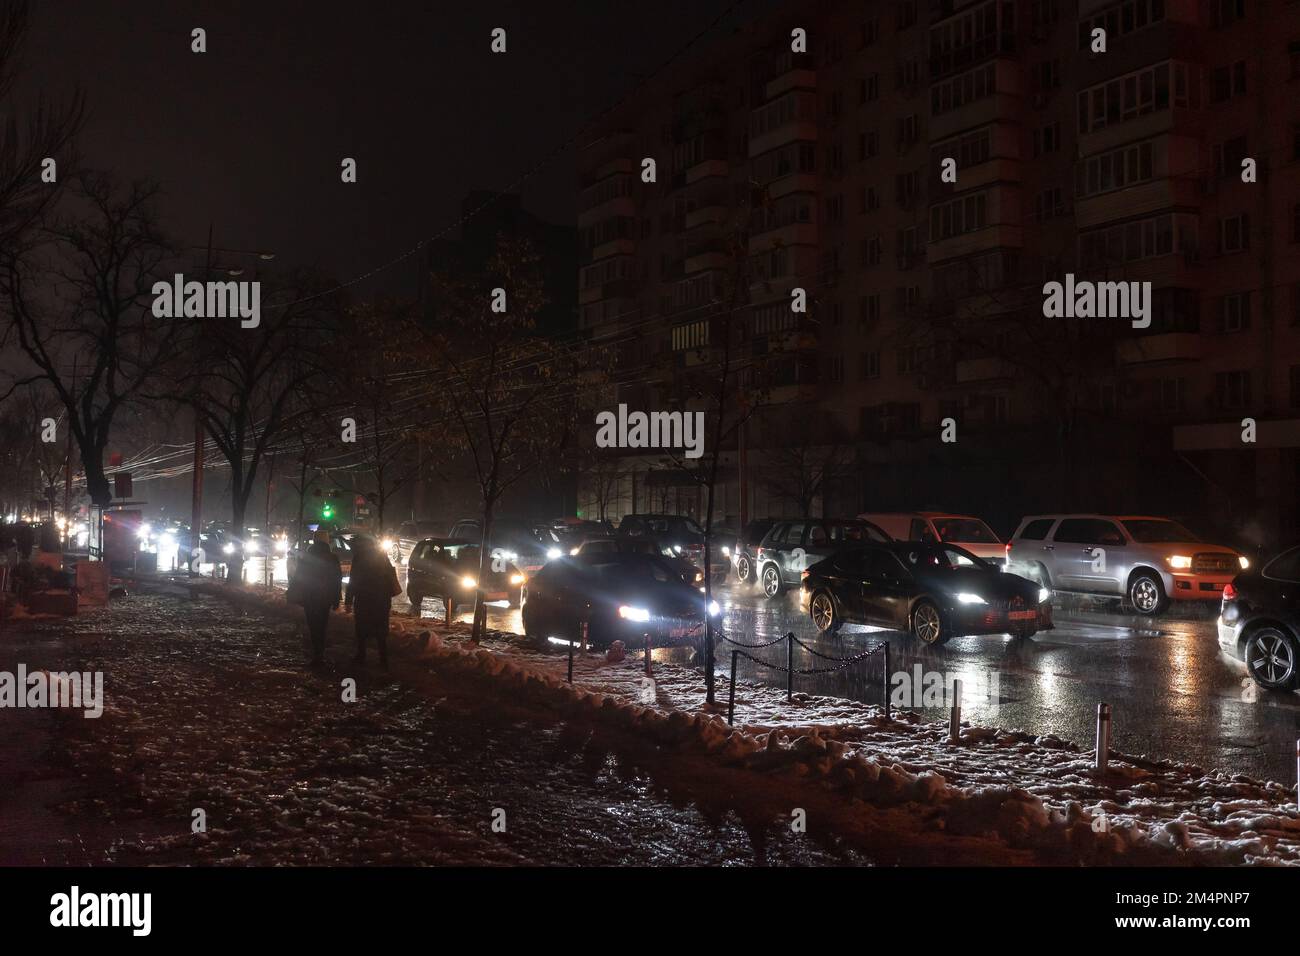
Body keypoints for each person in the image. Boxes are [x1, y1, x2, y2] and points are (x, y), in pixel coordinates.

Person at [346, 536, 399, 668]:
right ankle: (383, 659)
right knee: (381, 630)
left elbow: (353, 580)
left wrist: (348, 600)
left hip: (364, 599)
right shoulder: (382, 557)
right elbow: (389, 576)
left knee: (362, 628)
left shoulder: (359, 558)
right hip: (382, 599)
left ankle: (361, 655)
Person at [287, 540, 342, 665]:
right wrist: (336, 599)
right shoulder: (332, 559)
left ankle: (317, 651)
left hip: (310, 597)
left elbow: (298, 577)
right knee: (322, 624)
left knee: (313, 624)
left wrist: (293, 593)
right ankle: (320, 651)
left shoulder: (306, 558)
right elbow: (337, 579)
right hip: (325, 598)